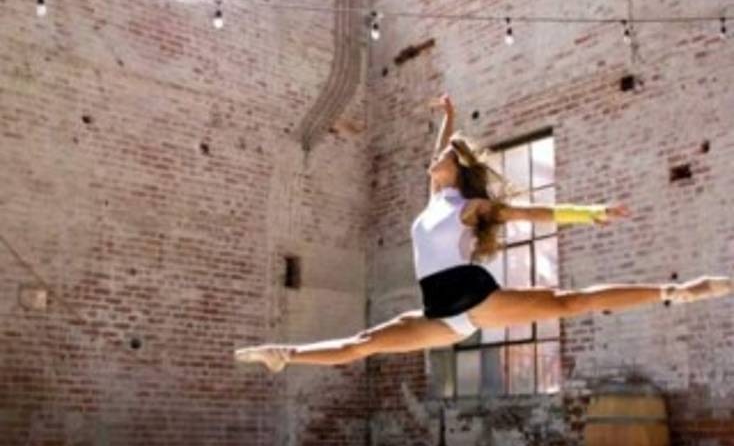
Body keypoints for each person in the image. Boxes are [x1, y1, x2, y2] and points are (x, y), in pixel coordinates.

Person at [234, 94, 733, 373]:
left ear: (455, 170)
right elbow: (440, 154)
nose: (432, 163)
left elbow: (525, 214)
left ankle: (679, 290)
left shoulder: (471, 208)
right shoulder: (434, 201)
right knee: (366, 342)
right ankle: (285, 354)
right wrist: (447, 120)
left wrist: (586, 213)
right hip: (441, 311)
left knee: (565, 301)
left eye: (442, 159)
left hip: (468, 295)